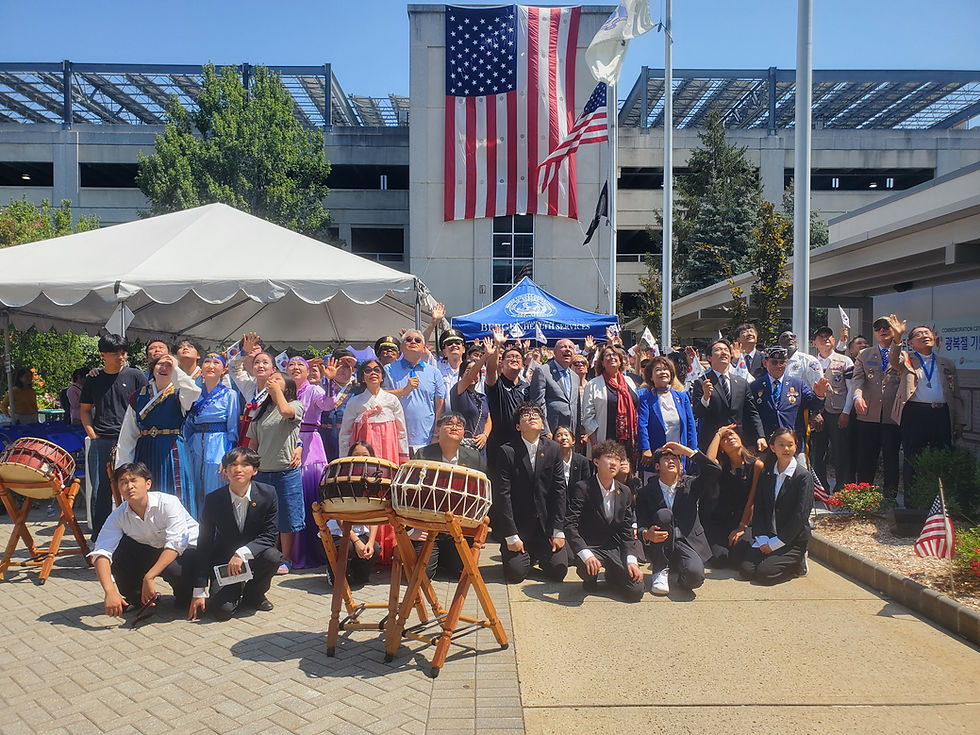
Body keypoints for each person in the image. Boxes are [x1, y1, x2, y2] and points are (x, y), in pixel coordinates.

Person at [90, 463, 199, 618]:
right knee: (119, 553)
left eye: (134, 480)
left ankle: (186, 594)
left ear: (148, 484)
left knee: (174, 569)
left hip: (187, 551)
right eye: (123, 482)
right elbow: (101, 552)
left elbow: (176, 544)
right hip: (154, 547)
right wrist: (109, 591)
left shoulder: (168, 503)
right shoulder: (118, 515)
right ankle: (137, 598)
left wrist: (149, 576)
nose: (129, 486)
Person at [188, 448, 281, 621]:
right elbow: (204, 543)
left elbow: (269, 535)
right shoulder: (213, 500)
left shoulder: (268, 494)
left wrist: (241, 553)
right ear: (224, 470)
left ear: (255, 470)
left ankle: (254, 595)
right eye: (232, 465)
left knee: (273, 556)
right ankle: (235, 588)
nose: (238, 469)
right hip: (224, 561)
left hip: (254, 556)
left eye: (245, 465)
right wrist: (199, 589)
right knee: (223, 612)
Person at [80, 334, 149, 540]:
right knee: (101, 488)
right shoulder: (93, 379)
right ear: (102, 355)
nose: (121, 356)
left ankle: (138, 534)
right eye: (115, 353)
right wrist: (93, 435)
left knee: (135, 485)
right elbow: (84, 410)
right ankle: (100, 537)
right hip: (103, 439)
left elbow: (148, 403)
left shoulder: (135, 375)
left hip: (132, 439)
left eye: (123, 352)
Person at [115, 354, 202, 518]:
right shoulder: (138, 396)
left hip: (172, 450)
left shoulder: (180, 394)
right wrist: (123, 466)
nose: (164, 368)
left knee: (174, 493)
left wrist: (177, 368)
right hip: (145, 450)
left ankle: (181, 538)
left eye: (169, 365)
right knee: (146, 494)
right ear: (153, 368)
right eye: (160, 364)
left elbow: (193, 391)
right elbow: (128, 433)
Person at [887, 316, 965, 493]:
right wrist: (897, 338)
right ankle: (912, 500)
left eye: (927, 333)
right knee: (913, 457)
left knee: (942, 456)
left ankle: (939, 499)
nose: (925, 336)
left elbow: (956, 395)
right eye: (919, 334)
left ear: (935, 339)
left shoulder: (947, 363)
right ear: (912, 343)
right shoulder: (907, 359)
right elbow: (894, 360)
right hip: (915, 414)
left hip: (941, 414)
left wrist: (959, 420)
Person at [494, 402, 568, 583]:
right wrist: (511, 535)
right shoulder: (507, 451)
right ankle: (524, 555)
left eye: (536, 414)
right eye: (526, 414)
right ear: (518, 426)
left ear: (543, 424)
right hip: (519, 529)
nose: (532, 416)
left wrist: (558, 530)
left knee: (558, 571)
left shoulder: (553, 449)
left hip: (545, 528)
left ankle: (540, 555)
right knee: (515, 574)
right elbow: (503, 496)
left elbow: (559, 490)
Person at [636, 442, 721, 595]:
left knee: (695, 577)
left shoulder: (691, 485)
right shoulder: (645, 492)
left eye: (675, 458)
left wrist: (687, 452)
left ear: (681, 466)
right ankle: (660, 570)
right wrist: (646, 534)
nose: (671, 461)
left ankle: (679, 573)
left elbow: (714, 470)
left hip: (686, 542)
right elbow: (641, 524)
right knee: (664, 514)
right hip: (660, 545)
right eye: (666, 458)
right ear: (657, 466)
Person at [565, 440, 643, 602]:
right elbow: (570, 524)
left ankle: (613, 575)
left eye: (617, 459)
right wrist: (585, 554)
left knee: (636, 591)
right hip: (591, 546)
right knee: (588, 571)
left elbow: (627, 531)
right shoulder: (583, 488)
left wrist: (631, 561)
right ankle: (590, 578)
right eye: (609, 457)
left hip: (614, 548)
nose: (614, 462)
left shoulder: (625, 491)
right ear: (596, 461)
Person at [246, 371, 304, 575]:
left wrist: (277, 392)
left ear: (287, 387)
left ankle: (286, 557)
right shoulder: (260, 411)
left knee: (286, 516)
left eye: (278, 378)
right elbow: (253, 441)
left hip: (285, 470)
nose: (272, 380)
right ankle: (268, 554)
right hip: (263, 470)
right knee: (264, 516)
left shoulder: (295, 404)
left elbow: (287, 411)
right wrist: (250, 464)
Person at [415, 412, 485, 579]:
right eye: (448, 423)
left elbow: (481, 493)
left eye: (459, 425)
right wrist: (414, 529)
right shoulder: (422, 455)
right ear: (438, 429)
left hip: (458, 528)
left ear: (463, 433)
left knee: (461, 572)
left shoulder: (473, 457)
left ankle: (446, 559)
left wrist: (478, 528)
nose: (454, 427)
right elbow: (412, 494)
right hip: (429, 527)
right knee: (423, 574)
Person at [739, 428, 812, 585]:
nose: (786, 449)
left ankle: (798, 563)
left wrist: (776, 543)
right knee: (746, 570)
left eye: (790, 445)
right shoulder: (767, 473)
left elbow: (800, 515)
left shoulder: (803, 476)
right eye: (781, 445)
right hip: (769, 534)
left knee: (765, 575)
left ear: (795, 446)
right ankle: (772, 556)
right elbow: (760, 507)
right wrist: (763, 538)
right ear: (772, 447)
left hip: (791, 539)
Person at [287, 356, 332, 569]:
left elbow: (328, 404)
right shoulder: (283, 391)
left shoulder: (314, 390)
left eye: (300, 365)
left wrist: (330, 383)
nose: (295, 368)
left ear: (307, 371)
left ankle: (319, 551)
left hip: (311, 446)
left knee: (312, 498)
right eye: (291, 365)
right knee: (294, 499)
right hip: (287, 444)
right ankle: (292, 552)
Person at [850, 316, 902, 501]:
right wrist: (857, 395)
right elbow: (857, 379)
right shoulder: (864, 354)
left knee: (891, 459)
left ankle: (889, 499)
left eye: (886, 327)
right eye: (878, 327)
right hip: (868, 415)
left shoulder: (902, 354)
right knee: (866, 458)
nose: (882, 330)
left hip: (892, 416)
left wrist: (898, 342)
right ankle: (863, 498)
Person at [748, 346, 829, 456]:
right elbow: (750, 415)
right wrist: (751, 442)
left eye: (782, 362)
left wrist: (819, 395)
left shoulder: (798, 385)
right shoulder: (755, 386)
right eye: (774, 362)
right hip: (766, 444)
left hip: (792, 444)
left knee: (800, 472)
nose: (778, 366)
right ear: (765, 362)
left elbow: (814, 405)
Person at [701, 425, 763, 569]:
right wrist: (718, 433)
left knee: (738, 558)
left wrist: (741, 527)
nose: (729, 438)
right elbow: (708, 462)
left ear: (740, 439)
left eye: (732, 435)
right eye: (725, 438)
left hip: (744, 520)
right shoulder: (721, 464)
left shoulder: (756, 465)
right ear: (721, 447)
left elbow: (751, 501)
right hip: (720, 521)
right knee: (719, 559)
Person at [184, 353, 240, 506]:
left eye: (216, 362)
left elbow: (233, 428)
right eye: (207, 361)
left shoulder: (230, 394)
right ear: (201, 368)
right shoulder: (194, 393)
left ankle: (215, 529)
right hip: (195, 446)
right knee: (193, 491)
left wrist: (228, 457)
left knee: (214, 490)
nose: (211, 365)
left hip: (218, 446)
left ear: (224, 369)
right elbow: (187, 423)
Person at [324, 441, 382, 587]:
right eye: (356, 455)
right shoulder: (341, 478)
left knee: (374, 549)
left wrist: (369, 542)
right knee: (347, 547)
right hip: (339, 532)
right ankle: (333, 572)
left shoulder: (374, 479)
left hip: (359, 530)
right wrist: (357, 542)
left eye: (365, 455)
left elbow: (375, 515)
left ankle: (356, 574)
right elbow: (339, 518)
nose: (360, 459)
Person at [383, 330, 446, 455]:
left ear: (423, 348)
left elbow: (440, 405)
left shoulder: (434, 372)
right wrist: (404, 390)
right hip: (396, 439)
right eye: (408, 339)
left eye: (417, 340)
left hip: (426, 440)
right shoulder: (388, 370)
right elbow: (381, 396)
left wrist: (436, 434)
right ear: (401, 347)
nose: (413, 342)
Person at [809, 326, 855, 491]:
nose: (825, 338)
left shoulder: (845, 361)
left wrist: (846, 412)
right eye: (820, 336)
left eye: (828, 336)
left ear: (834, 340)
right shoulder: (810, 362)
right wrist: (813, 414)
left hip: (838, 412)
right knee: (818, 453)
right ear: (814, 343)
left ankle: (842, 487)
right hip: (818, 414)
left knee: (841, 451)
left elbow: (851, 390)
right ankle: (821, 488)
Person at [340, 358, 409, 464]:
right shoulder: (354, 402)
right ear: (363, 377)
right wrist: (344, 460)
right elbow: (345, 433)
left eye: (377, 370)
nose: (373, 373)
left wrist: (403, 458)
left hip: (388, 448)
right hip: (363, 452)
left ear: (382, 377)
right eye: (368, 370)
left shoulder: (392, 400)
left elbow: (401, 432)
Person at [638, 356, 697, 472]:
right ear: (651, 376)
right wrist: (645, 448)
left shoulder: (682, 396)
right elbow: (642, 425)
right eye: (658, 370)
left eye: (665, 369)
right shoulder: (645, 398)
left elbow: (691, 425)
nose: (662, 372)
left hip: (679, 453)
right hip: (656, 453)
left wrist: (692, 450)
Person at [582, 343, 639, 457]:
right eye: (607, 355)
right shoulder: (593, 384)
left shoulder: (629, 381)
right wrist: (595, 446)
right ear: (602, 362)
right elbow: (587, 417)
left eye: (615, 355)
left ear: (620, 360)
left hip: (628, 440)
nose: (612, 357)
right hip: (604, 441)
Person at [484, 328, 531, 456]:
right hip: (498, 444)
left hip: (521, 443)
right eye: (510, 357)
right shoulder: (497, 383)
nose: (514, 359)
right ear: (502, 362)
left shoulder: (527, 387)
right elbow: (490, 370)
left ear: (522, 365)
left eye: (518, 358)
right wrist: (497, 345)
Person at [528, 338, 580, 440]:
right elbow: (537, 403)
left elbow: (577, 406)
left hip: (570, 433)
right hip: (551, 432)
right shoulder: (543, 371)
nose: (567, 350)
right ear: (555, 352)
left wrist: (577, 435)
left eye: (570, 348)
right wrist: (545, 431)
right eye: (563, 347)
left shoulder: (575, 376)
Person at [319, 348, 360, 461]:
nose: (341, 370)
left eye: (346, 366)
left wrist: (357, 362)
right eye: (338, 365)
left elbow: (371, 369)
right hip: (324, 438)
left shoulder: (360, 387)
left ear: (353, 370)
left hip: (350, 438)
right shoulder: (322, 384)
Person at [450, 356, 492, 460]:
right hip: (462, 447)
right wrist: (485, 355)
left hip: (480, 449)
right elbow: (469, 378)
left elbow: (488, 420)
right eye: (468, 370)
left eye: (477, 371)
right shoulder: (458, 391)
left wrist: (485, 435)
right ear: (461, 374)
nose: (473, 373)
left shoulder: (482, 397)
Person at [553, 425, 591, 490]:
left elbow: (586, 486)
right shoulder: (550, 461)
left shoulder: (582, 461)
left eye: (566, 435)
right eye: (559, 435)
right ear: (553, 441)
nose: (563, 438)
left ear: (573, 440)